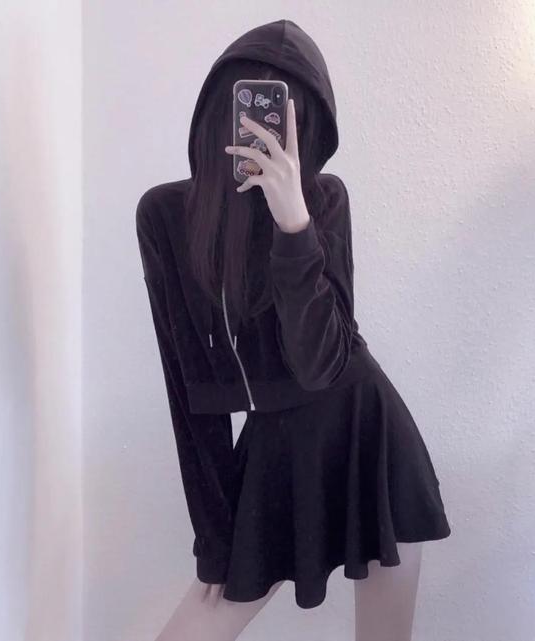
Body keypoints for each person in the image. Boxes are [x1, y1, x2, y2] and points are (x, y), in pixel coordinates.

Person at [136, 18, 451, 641]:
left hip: (366, 431)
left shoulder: (323, 201)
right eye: (248, 110)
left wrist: (294, 226)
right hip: (274, 446)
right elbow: (187, 390)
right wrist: (213, 535)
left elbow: (321, 363)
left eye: (283, 120)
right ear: (218, 114)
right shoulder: (166, 215)